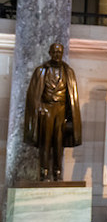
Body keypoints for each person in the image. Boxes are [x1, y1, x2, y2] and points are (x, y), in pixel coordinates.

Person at [23, 42, 82, 181]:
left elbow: (71, 96)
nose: (57, 55)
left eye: (60, 52)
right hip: (46, 109)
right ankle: (44, 172)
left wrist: (70, 117)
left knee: (58, 142)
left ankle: (57, 172)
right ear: (50, 53)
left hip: (61, 110)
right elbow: (33, 95)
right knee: (46, 142)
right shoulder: (41, 71)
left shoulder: (68, 72)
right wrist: (39, 108)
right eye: (54, 52)